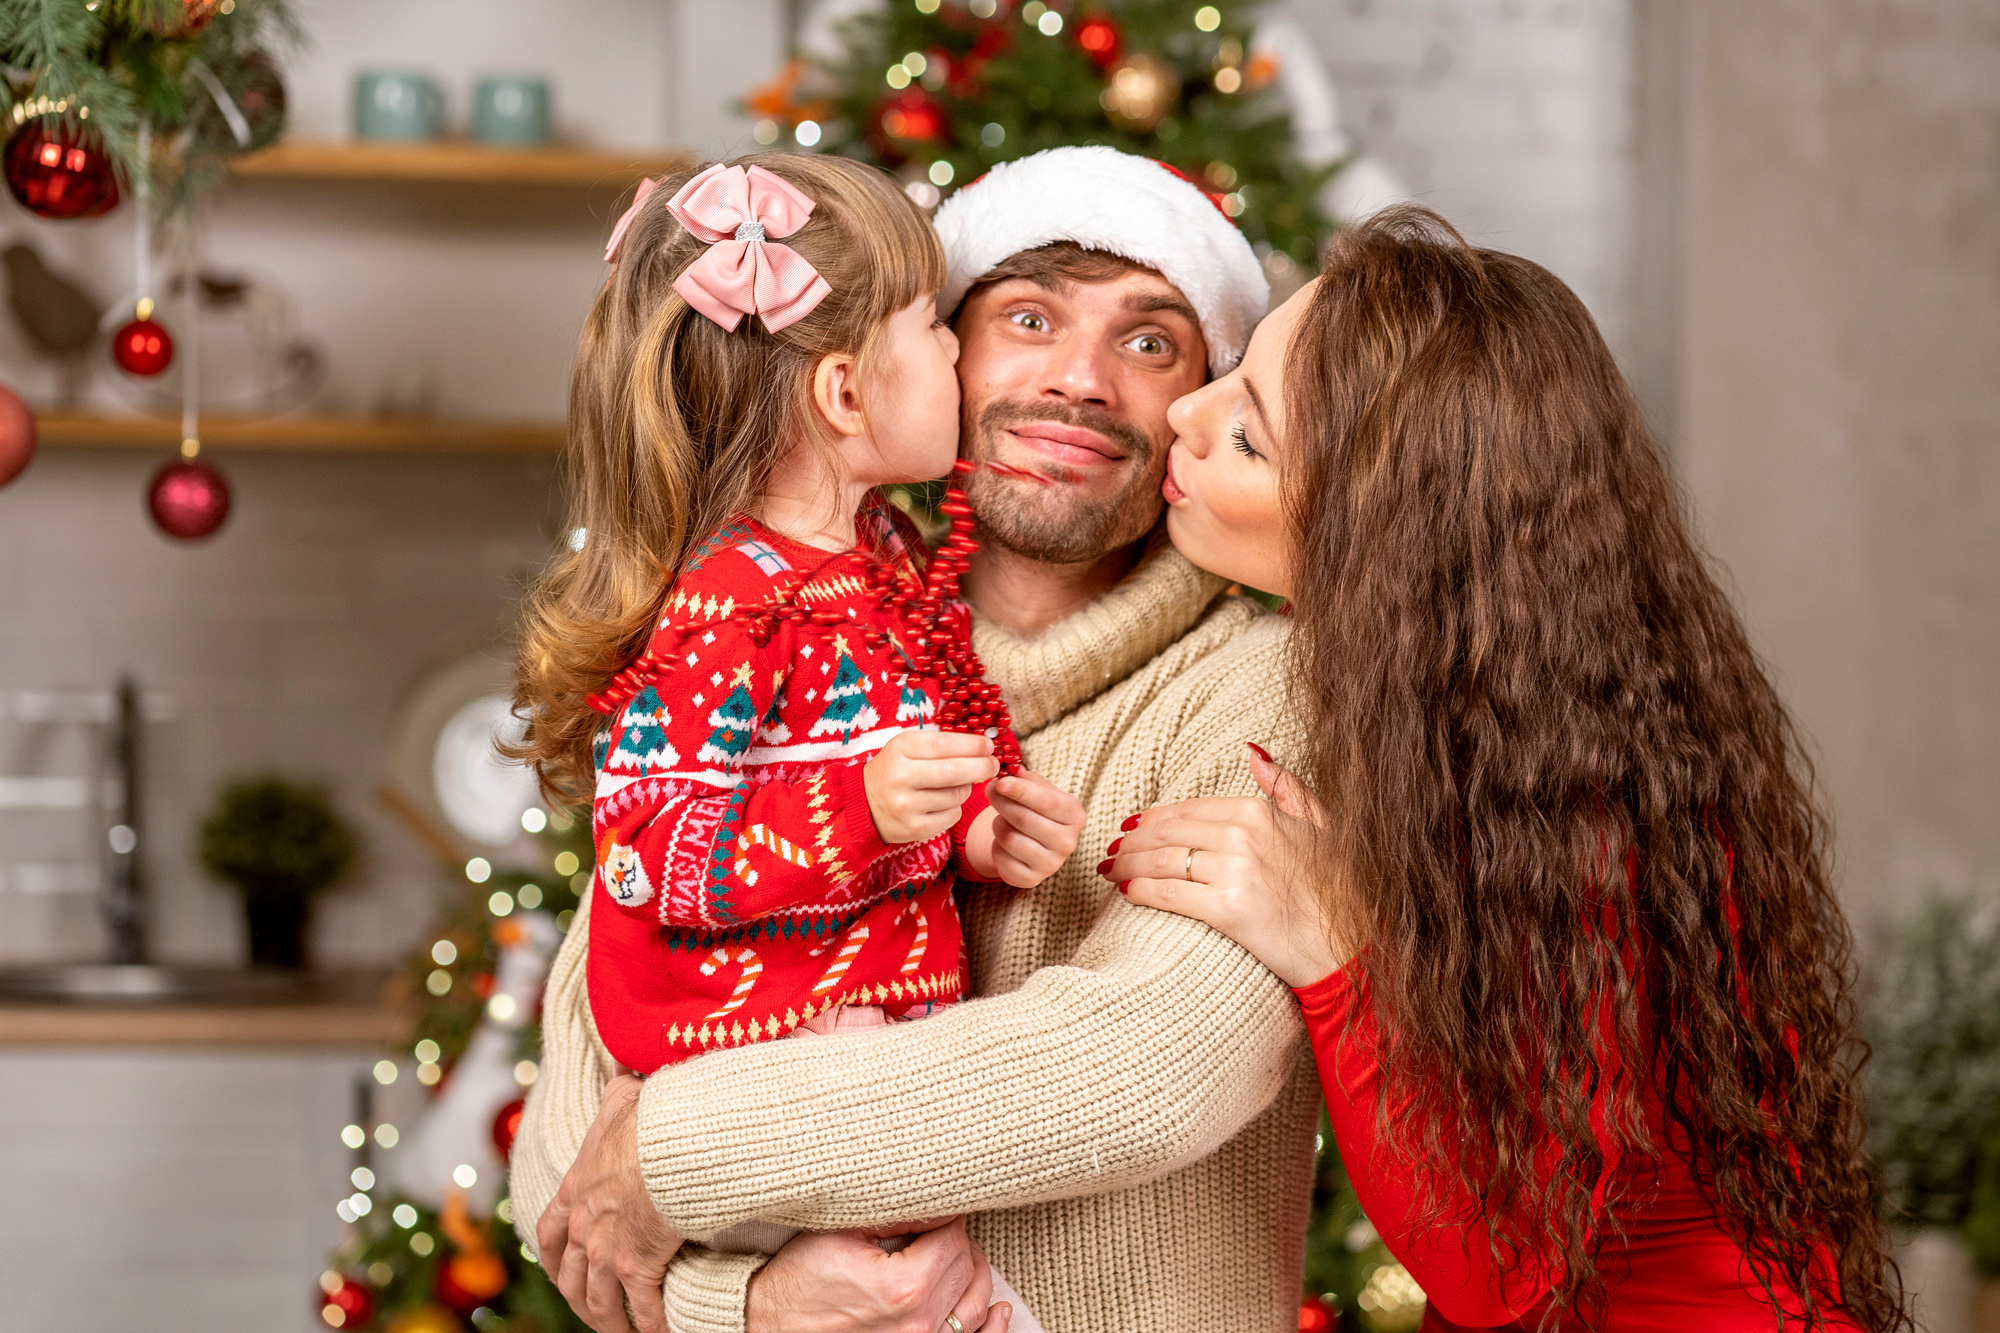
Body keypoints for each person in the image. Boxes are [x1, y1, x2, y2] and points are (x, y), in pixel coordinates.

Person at [511, 146, 1321, 1333]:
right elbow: (567, 1150)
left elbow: (1146, 1069)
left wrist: (669, 1151)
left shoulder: (1271, 692)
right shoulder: (792, 628)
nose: (1081, 381)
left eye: (1150, 342)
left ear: (1202, 401)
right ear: (933, 356)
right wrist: (742, 1303)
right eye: (1027, 318)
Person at [1105, 205, 1906, 1331]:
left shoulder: (1565, 796)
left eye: (1248, 436)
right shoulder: (1466, 696)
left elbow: (1499, 1268)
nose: (1182, 411)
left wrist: (1332, 948)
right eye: (1233, 377)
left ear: (1382, 540)